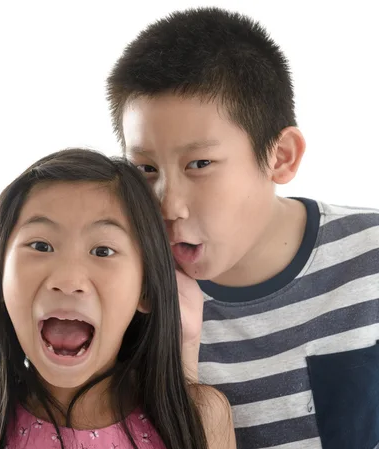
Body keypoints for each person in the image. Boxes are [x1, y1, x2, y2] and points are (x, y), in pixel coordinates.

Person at [106, 6, 379, 449]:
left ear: (281, 156)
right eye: (145, 169)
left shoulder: (370, 258)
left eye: (200, 164)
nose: (168, 205)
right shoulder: (129, 306)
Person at [0, 148, 236, 449]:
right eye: (40, 245)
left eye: (102, 251)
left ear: (146, 288)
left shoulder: (200, 418)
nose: (68, 281)